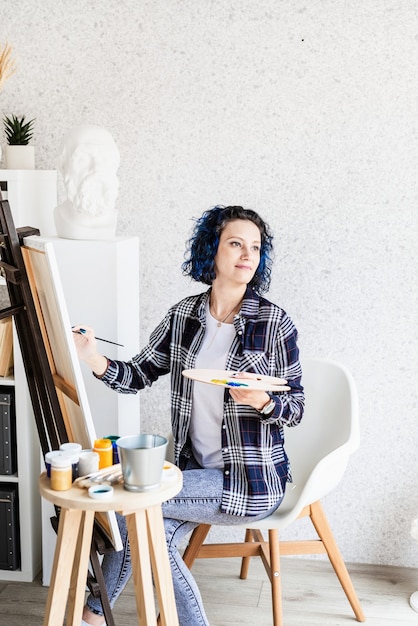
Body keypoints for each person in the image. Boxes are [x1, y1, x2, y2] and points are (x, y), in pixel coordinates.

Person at [73, 205, 304, 626]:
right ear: (211, 252)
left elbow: (297, 409)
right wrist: (93, 358)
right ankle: (95, 615)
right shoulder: (184, 316)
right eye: (235, 243)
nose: (246, 255)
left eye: (255, 247)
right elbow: (138, 373)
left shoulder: (274, 324)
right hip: (193, 471)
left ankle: (93, 613)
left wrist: (262, 401)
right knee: (146, 533)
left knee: (136, 505)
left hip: (250, 479)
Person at [54, 123, 120, 240]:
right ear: (62, 166)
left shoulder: (112, 217)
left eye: (106, 158)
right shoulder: (61, 216)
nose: (97, 168)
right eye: (84, 159)